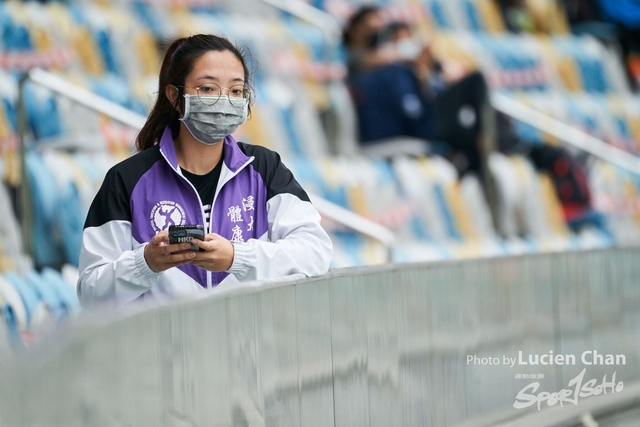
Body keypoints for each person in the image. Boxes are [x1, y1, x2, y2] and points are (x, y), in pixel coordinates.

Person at [77, 34, 333, 307]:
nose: (224, 101)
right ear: (175, 97)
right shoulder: (127, 179)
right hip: (164, 348)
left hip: (250, 344)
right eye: (208, 88)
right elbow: (91, 292)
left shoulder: (264, 168)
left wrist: (237, 257)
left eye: (236, 91)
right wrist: (146, 263)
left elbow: (316, 252)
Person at [343, 7, 492, 177]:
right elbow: (413, 113)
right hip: (397, 129)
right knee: (465, 123)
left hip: (415, 118)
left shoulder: (400, 67)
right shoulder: (367, 63)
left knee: (468, 126)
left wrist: (429, 73)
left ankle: (478, 155)